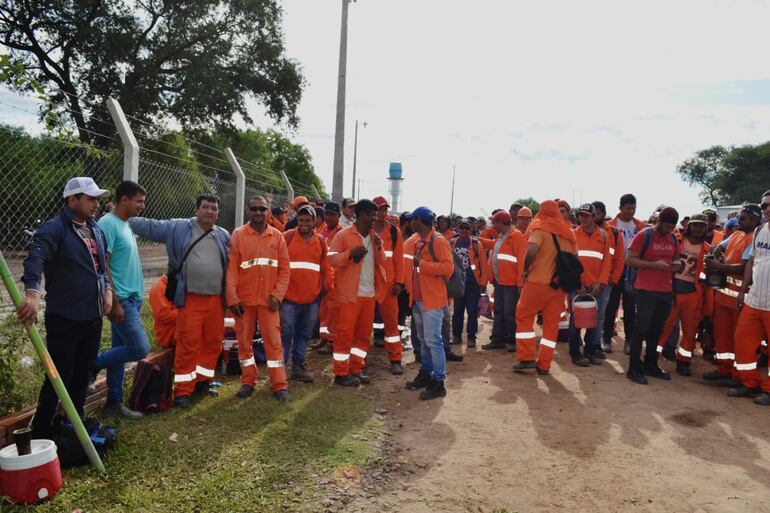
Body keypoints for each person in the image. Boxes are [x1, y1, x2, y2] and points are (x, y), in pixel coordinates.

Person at [21, 177, 113, 438]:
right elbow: (36, 258)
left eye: (97, 198)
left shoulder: (95, 229)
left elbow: (100, 267)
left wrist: (107, 290)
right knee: (58, 376)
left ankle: (73, 424)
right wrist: (32, 293)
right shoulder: (54, 229)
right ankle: (41, 433)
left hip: (92, 317)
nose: (96, 203)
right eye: (90, 198)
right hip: (65, 318)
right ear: (72, 200)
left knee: (82, 374)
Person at [129, 194, 231, 407]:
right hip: (191, 297)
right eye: (205, 207)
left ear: (218, 214)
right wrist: (123, 217)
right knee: (188, 342)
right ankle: (184, 390)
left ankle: (203, 381)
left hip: (216, 300)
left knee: (212, 341)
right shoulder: (178, 227)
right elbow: (150, 226)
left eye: (213, 208)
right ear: (196, 210)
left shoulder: (222, 235)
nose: (209, 211)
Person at [227, 195, 291, 401]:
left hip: (268, 302)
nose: (258, 213)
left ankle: (279, 385)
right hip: (244, 301)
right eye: (254, 209)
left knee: (273, 343)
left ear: (268, 211)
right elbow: (232, 270)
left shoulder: (277, 236)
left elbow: (285, 270)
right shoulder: (238, 235)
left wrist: (277, 295)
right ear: (248, 211)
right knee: (244, 343)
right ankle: (248, 381)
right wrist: (233, 298)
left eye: (262, 209)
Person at [93, 181, 149, 419]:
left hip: (132, 299)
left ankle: (113, 403)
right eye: (139, 201)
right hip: (121, 299)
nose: (142, 206)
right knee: (140, 348)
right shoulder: (107, 224)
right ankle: (90, 364)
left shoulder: (125, 224)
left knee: (119, 350)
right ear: (124, 199)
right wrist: (114, 301)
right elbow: (102, 265)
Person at [326, 199, 388, 386]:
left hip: (369, 295)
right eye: (371, 215)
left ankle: (356, 369)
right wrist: (349, 255)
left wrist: (379, 246)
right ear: (360, 215)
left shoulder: (374, 237)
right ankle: (341, 373)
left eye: (375, 215)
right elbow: (331, 259)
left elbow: (383, 261)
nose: (374, 219)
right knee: (344, 335)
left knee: (363, 336)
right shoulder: (343, 235)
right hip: (349, 295)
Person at [514, 200, 577, 374]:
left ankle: (526, 358)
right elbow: (575, 258)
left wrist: (525, 270)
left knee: (524, 316)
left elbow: (532, 251)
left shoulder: (539, 228)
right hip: (558, 287)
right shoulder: (569, 233)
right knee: (551, 325)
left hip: (537, 282)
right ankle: (544, 365)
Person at [703, 204, 761, 387]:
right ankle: (724, 369)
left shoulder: (753, 238)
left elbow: (745, 267)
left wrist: (719, 267)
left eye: (743, 218)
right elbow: (719, 246)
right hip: (723, 296)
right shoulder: (737, 234)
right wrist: (716, 253)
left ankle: (737, 375)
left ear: (754, 220)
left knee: (739, 339)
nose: (739, 222)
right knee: (722, 335)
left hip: (739, 299)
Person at [624, 207, 681, 385]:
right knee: (640, 328)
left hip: (665, 291)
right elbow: (629, 259)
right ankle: (634, 367)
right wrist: (654, 265)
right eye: (666, 226)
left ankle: (651, 364)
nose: (669, 230)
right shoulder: (644, 235)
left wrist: (676, 265)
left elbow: (677, 258)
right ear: (659, 222)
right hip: (646, 290)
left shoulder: (672, 238)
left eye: (672, 227)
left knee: (656, 330)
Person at [404, 207, 455, 399]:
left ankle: (438, 381)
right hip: (419, 299)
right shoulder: (419, 241)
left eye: (413, 219)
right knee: (425, 341)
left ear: (420, 221)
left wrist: (421, 264)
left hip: (432, 300)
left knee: (434, 341)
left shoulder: (438, 241)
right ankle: (426, 373)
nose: (410, 223)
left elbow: (448, 268)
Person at [655, 213, 711, 376]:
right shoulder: (675, 241)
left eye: (702, 226)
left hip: (693, 293)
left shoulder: (709, 250)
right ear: (689, 226)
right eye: (695, 225)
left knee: (690, 330)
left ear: (706, 228)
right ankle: (653, 356)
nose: (698, 228)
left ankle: (683, 361)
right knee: (664, 326)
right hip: (672, 289)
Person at [281, 205, 330, 383]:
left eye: (308, 220)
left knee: (303, 335)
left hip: (311, 299)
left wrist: (325, 287)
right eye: (301, 220)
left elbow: (325, 267)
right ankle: (280, 373)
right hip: (289, 299)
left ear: (314, 221)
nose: (303, 223)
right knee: (285, 336)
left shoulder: (320, 241)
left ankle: (298, 368)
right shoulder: (287, 237)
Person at [731, 192, 770, 404]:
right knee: (743, 342)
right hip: (754, 300)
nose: (767, 209)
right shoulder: (759, 231)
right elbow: (751, 263)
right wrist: (743, 290)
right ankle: (749, 383)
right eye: (764, 206)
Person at [568, 203, 612, 366]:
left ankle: (590, 351)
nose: (583, 218)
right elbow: (570, 264)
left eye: (587, 215)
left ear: (595, 217)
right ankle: (575, 352)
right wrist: (578, 284)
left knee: (593, 320)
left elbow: (606, 261)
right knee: (576, 321)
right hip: (578, 286)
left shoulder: (603, 236)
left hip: (597, 287)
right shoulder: (572, 235)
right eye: (581, 215)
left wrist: (600, 283)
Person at [606, 193, 647, 354]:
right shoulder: (611, 226)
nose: (631, 211)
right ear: (620, 208)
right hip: (615, 269)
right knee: (611, 306)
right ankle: (606, 338)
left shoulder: (640, 226)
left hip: (632, 271)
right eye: (628, 208)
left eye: (633, 208)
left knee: (630, 308)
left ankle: (629, 341)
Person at [371, 196, 406, 375]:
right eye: (378, 209)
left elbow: (399, 259)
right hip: (368, 285)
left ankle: (395, 359)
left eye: (384, 209)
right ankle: (358, 361)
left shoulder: (394, 232)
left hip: (389, 285)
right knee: (361, 324)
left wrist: (399, 282)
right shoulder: (364, 230)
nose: (381, 213)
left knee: (391, 324)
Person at [483, 211, 526, 351]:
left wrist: (520, 284)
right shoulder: (501, 236)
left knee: (509, 312)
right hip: (499, 282)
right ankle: (497, 339)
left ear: (501, 223)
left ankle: (512, 340)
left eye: (494, 222)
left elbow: (521, 262)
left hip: (511, 284)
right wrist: (479, 239)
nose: (493, 225)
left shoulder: (517, 237)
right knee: (499, 310)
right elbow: (494, 249)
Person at [450, 218, 488, 348]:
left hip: (472, 283)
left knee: (472, 311)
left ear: (470, 229)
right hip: (458, 283)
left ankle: (471, 337)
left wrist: (483, 283)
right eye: (462, 228)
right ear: (458, 229)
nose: (464, 230)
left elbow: (484, 265)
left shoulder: (477, 244)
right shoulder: (452, 243)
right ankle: (456, 336)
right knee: (457, 311)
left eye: (467, 228)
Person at [593, 201, 625, 354]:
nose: (595, 216)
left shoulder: (614, 233)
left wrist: (614, 279)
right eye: (593, 213)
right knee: (584, 312)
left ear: (604, 215)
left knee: (605, 313)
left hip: (608, 281)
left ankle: (602, 340)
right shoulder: (584, 231)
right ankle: (587, 341)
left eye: (598, 213)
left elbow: (619, 258)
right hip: (589, 279)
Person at [315, 201, 345, 354]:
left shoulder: (342, 234)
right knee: (324, 310)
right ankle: (325, 337)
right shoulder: (322, 230)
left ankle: (333, 341)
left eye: (332, 215)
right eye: (326, 214)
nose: (329, 217)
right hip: (324, 277)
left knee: (334, 311)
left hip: (337, 279)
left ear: (339, 216)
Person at [148, 275, 177, 348]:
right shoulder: (158, 288)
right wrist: (187, 312)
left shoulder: (184, 284)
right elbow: (164, 316)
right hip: (169, 334)